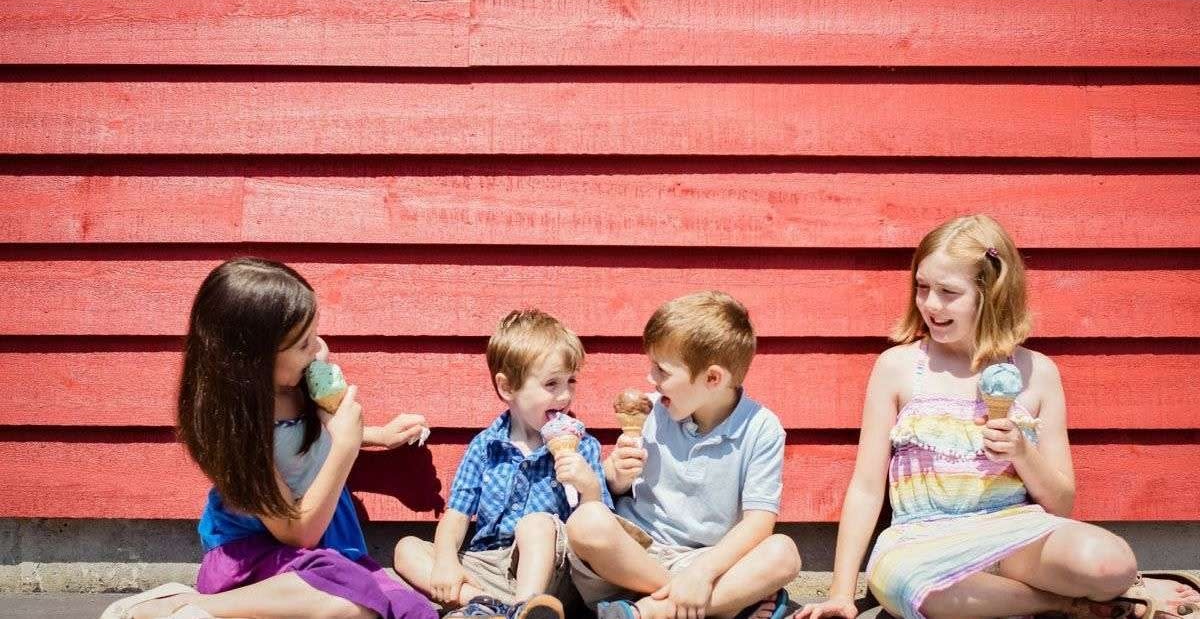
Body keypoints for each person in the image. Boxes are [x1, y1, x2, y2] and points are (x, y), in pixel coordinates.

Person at [794, 214, 1200, 619]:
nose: (931, 304)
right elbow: (866, 488)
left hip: (1013, 533)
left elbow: (1061, 503)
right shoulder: (898, 368)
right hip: (920, 541)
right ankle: (1072, 606)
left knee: (1111, 562)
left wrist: (1022, 451)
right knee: (912, 588)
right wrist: (842, 592)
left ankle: (1090, 592)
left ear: (991, 295)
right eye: (922, 287)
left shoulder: (1036, 373)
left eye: (949, 292)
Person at [103, 257, 436, 619]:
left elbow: (309, 437)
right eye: (302, 343)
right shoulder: (236, 434)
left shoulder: (305, 374)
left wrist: (378, 436)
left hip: (324, 552)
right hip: (254, 556)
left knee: (407, 609)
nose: (318, 348)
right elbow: (298, 535)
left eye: (314, 333)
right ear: (254, 359)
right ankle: (175, 607)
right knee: (350, 600)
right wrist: (345, 447)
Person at [566, 291, 801, 619]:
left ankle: (648, 613)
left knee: (784, 554)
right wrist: (616, 476)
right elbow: (609, 493)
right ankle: (715, 606)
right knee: (585, 522)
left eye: (662, 370)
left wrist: (702, 572)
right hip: (633, 557)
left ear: (713, 378)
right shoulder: (650, 412)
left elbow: (759, 523)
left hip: (704, 560)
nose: (652, 379)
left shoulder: (762, 428)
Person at [393, 309, 612, 619]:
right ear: (508, 388)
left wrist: (587, 486)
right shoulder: (485, 447)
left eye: (571, 381)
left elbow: (599, 527)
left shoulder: (583, 446)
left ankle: (526, 607)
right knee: (406, 548)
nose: (565, 396)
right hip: (488, 564)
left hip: (552, 571)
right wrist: (445, 561)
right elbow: (456, 516)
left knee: (535, 523)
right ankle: (487, 604)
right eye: (551, 384)